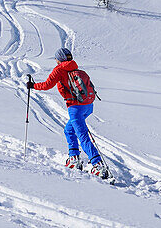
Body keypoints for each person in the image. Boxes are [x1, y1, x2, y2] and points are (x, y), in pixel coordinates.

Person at [27, 47, 109, 178]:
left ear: (59, 59)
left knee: (82, 136)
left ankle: (97, 165)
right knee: (69, 130)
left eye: (56, 58)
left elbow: (47, 85)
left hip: (75, 108)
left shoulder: (59, 69)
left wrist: (33, 86)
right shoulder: (75, 68)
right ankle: (74, 158)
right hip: (88, 106)